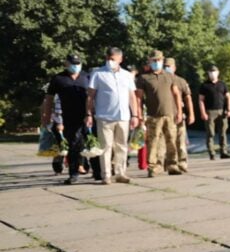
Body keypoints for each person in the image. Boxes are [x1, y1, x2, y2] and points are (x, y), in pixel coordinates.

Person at [86, 48, 140, 184]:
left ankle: (120, 173)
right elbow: (90, 96)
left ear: (120, 59)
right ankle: (106, 175)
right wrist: (88, 114)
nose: (111, 61)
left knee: (121, 146)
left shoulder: (127, 75)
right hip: (104, 117)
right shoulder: (98, 74)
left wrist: (135, 115)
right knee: (106, 146)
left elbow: (132, 96)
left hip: (123, 117)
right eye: (109, 58)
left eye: (114, 59)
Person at [41, 54, 92, 184]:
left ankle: (96, 171)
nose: (76, 66)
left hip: (88, 116)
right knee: (73, 145)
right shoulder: (59, 79)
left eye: (78, 63)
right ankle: (73, 173)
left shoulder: (87, 76)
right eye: (73, 63)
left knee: (90, 144)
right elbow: (49, 99)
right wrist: (47, 117)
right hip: (68, 117)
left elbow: (94, 95)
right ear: (66, 64)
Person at [135, 50, 183, 177]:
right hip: (153, 116)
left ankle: (172, 165)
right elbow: (138, 98)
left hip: (170, 114)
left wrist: (179, 112)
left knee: (172, 140)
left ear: (162, 60)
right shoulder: (143, 78)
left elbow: (176, 94)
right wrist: (139, 114)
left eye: (159, 60)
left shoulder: (169, 76)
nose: (157, 62)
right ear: (149, 61)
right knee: (153, 141)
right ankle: (153, 166)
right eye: (154, 60)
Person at [164, 57, 195, 172]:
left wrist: (191, 113)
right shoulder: (160, 80)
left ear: (174, 68)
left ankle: (182, 162)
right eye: (165, 66)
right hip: (164, 114)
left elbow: (188, 98)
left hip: (178, 114)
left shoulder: (181, 81)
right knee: (167, 141)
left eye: (169, 66)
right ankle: (167, 163)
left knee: (180, 141)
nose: (167, 68)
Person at [198, 65, 230, 160]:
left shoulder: (222, 84)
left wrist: (229, 110)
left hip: (222, 111)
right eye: (210, 72)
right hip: (209, 112)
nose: (212, 73)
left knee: (223, 132)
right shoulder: (204, 85)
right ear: (208, 73)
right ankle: (211, 153)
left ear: (218, 73)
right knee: (210, 133)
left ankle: (223, 151)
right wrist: (203, 112)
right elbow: (201, 100)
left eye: (214, 71)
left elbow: (228, 97)